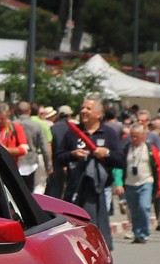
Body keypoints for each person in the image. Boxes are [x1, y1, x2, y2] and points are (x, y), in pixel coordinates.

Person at [52, 96, 123, 250]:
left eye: (88, 108)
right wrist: (73, 154)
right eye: (83, 108)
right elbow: (58, 158)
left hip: (98, 190)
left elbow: (121, 161)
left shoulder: (108, 133)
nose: (83, 111)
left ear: (99, 114)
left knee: (97, 225)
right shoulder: (72, 133)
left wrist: (107, 153)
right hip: (75, 189)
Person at [120, 124, 160, 245]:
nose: (134, 139)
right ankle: (137, 233)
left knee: (144, 207)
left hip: (146, 182)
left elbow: (158, 168)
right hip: (130, 183)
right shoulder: (126, 148)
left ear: (144, 136)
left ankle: (144, 232)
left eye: (136, 137)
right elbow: (120, 165)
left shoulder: (150, 149)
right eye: (132, 137)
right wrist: (119, 183)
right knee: (133, 210)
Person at [0, 103, 31, 187]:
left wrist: (6, 150)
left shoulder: (15, 128)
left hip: (9, 169)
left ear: (8, 115)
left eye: (2, 119)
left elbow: (24, 149)